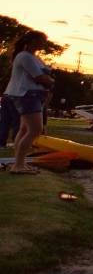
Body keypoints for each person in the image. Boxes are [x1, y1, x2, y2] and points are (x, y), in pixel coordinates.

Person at [4, 31, 55, 174]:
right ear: (32, 41)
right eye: (42, 40)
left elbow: (45, 75)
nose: (44, 43)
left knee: (24, 129)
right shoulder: (24, 56)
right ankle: (18, 165)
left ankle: (19, 163)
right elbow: (39, 77)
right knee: (35, 130)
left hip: (30, 94)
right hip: (27, 94)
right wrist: (51, 81)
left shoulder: (34, 58)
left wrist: (48, 79)